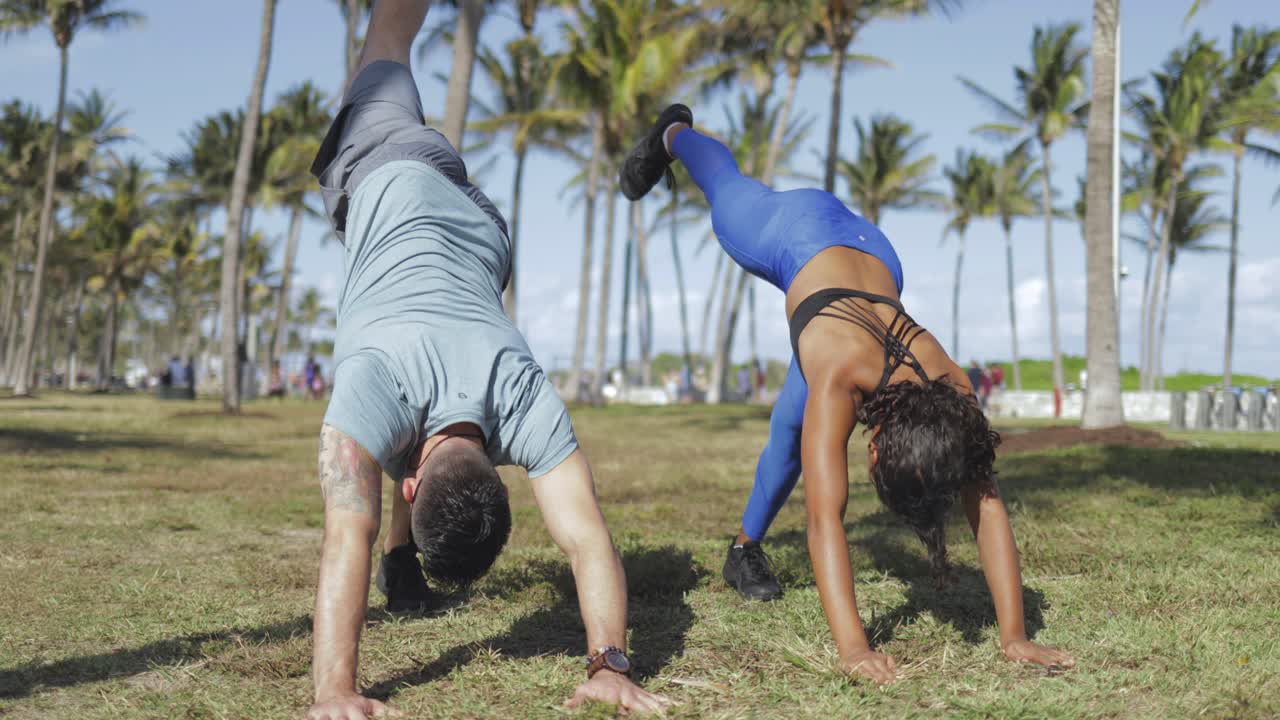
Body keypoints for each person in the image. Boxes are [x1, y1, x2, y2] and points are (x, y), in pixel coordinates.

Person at [620, 105, 1073, 685]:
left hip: (872, 251)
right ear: (882, 436)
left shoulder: (952, 387)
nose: (865, 458)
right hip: (792, 231)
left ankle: (742, 551)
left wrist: (1015, 637)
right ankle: (675, 133)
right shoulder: (839, 373)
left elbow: (984, 500)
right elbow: (822, 519)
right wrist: (854, 648)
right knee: (728, 186)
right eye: (874, 460)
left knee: (792, 432)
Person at [304, 3, 670, 717]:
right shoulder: (372, 384)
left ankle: (402, 572)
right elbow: (347, 530)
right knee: (388, 39)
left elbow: (588, 538)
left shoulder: (524, 397)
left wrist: (612, 664)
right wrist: (334, 691)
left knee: (392, 427)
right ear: (409, 490)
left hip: (482, 230)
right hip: (386, 169)